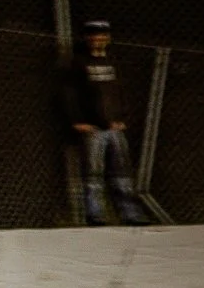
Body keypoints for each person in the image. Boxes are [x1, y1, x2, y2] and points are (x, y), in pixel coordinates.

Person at [59, 19, 151, 226]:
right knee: (93, 173)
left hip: (114, 127)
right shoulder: (78, 63)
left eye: (101, 35)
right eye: (93, 35)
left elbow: (121, 93)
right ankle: (95, 215)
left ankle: (130, 214)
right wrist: (77, 121)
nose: (97, 39)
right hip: (92, 129)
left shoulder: (113, 62)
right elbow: (69, 95)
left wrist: (123, 119)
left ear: (107, 38)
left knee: (122, 173)